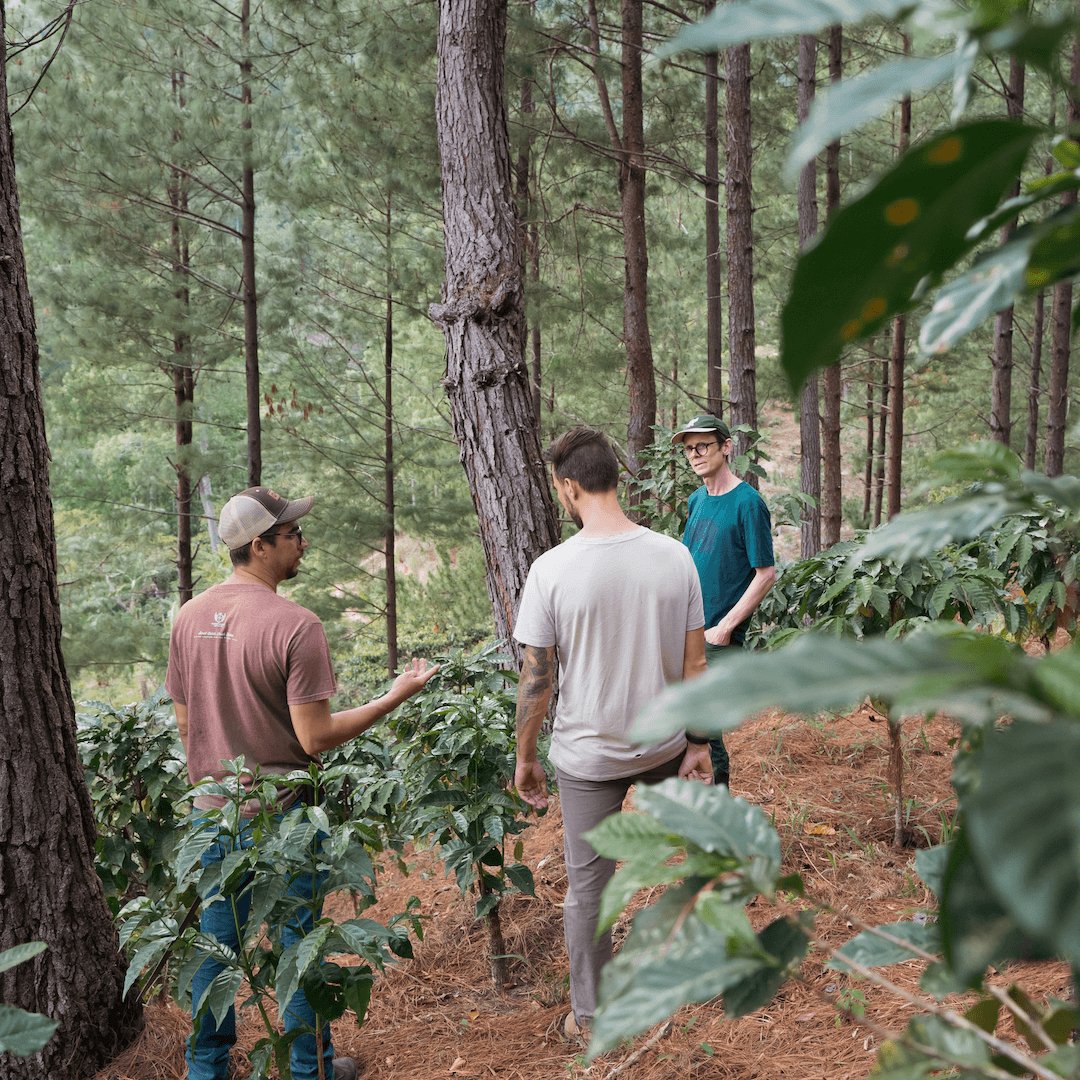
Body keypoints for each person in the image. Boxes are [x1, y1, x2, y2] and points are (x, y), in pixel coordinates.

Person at [166, 485, 437, 1080]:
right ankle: (308, 1070)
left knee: (216, 950)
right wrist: (394, 696)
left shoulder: (188, 617)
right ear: (259, 546)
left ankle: (205, 1071)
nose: (302, 541)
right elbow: (314, 738)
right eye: (291, 535)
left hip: (212, 813)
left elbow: (187, 722)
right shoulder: (296, 624)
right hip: (283, 815)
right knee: (299, 948)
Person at [511, 426, 712, 1038]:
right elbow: (696, 664)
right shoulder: (674, 556)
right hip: (664, 745)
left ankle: (595, 1019)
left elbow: (537, 680)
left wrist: (525, 757)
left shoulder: (551, 571)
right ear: (616, 478)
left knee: (589, 888)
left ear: (570, 487)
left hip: (588, 758)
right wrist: (699, 741)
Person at [672, 415, 776, 787]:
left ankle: (719, 806)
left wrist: (725, 628)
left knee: (704, 726)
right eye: (689, 449)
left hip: (718, 636)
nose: (695, 455)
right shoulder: (697, 499)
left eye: (703, 446)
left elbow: (766, 573)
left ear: (726, 447)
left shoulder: (748, 503)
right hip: (688, 630)